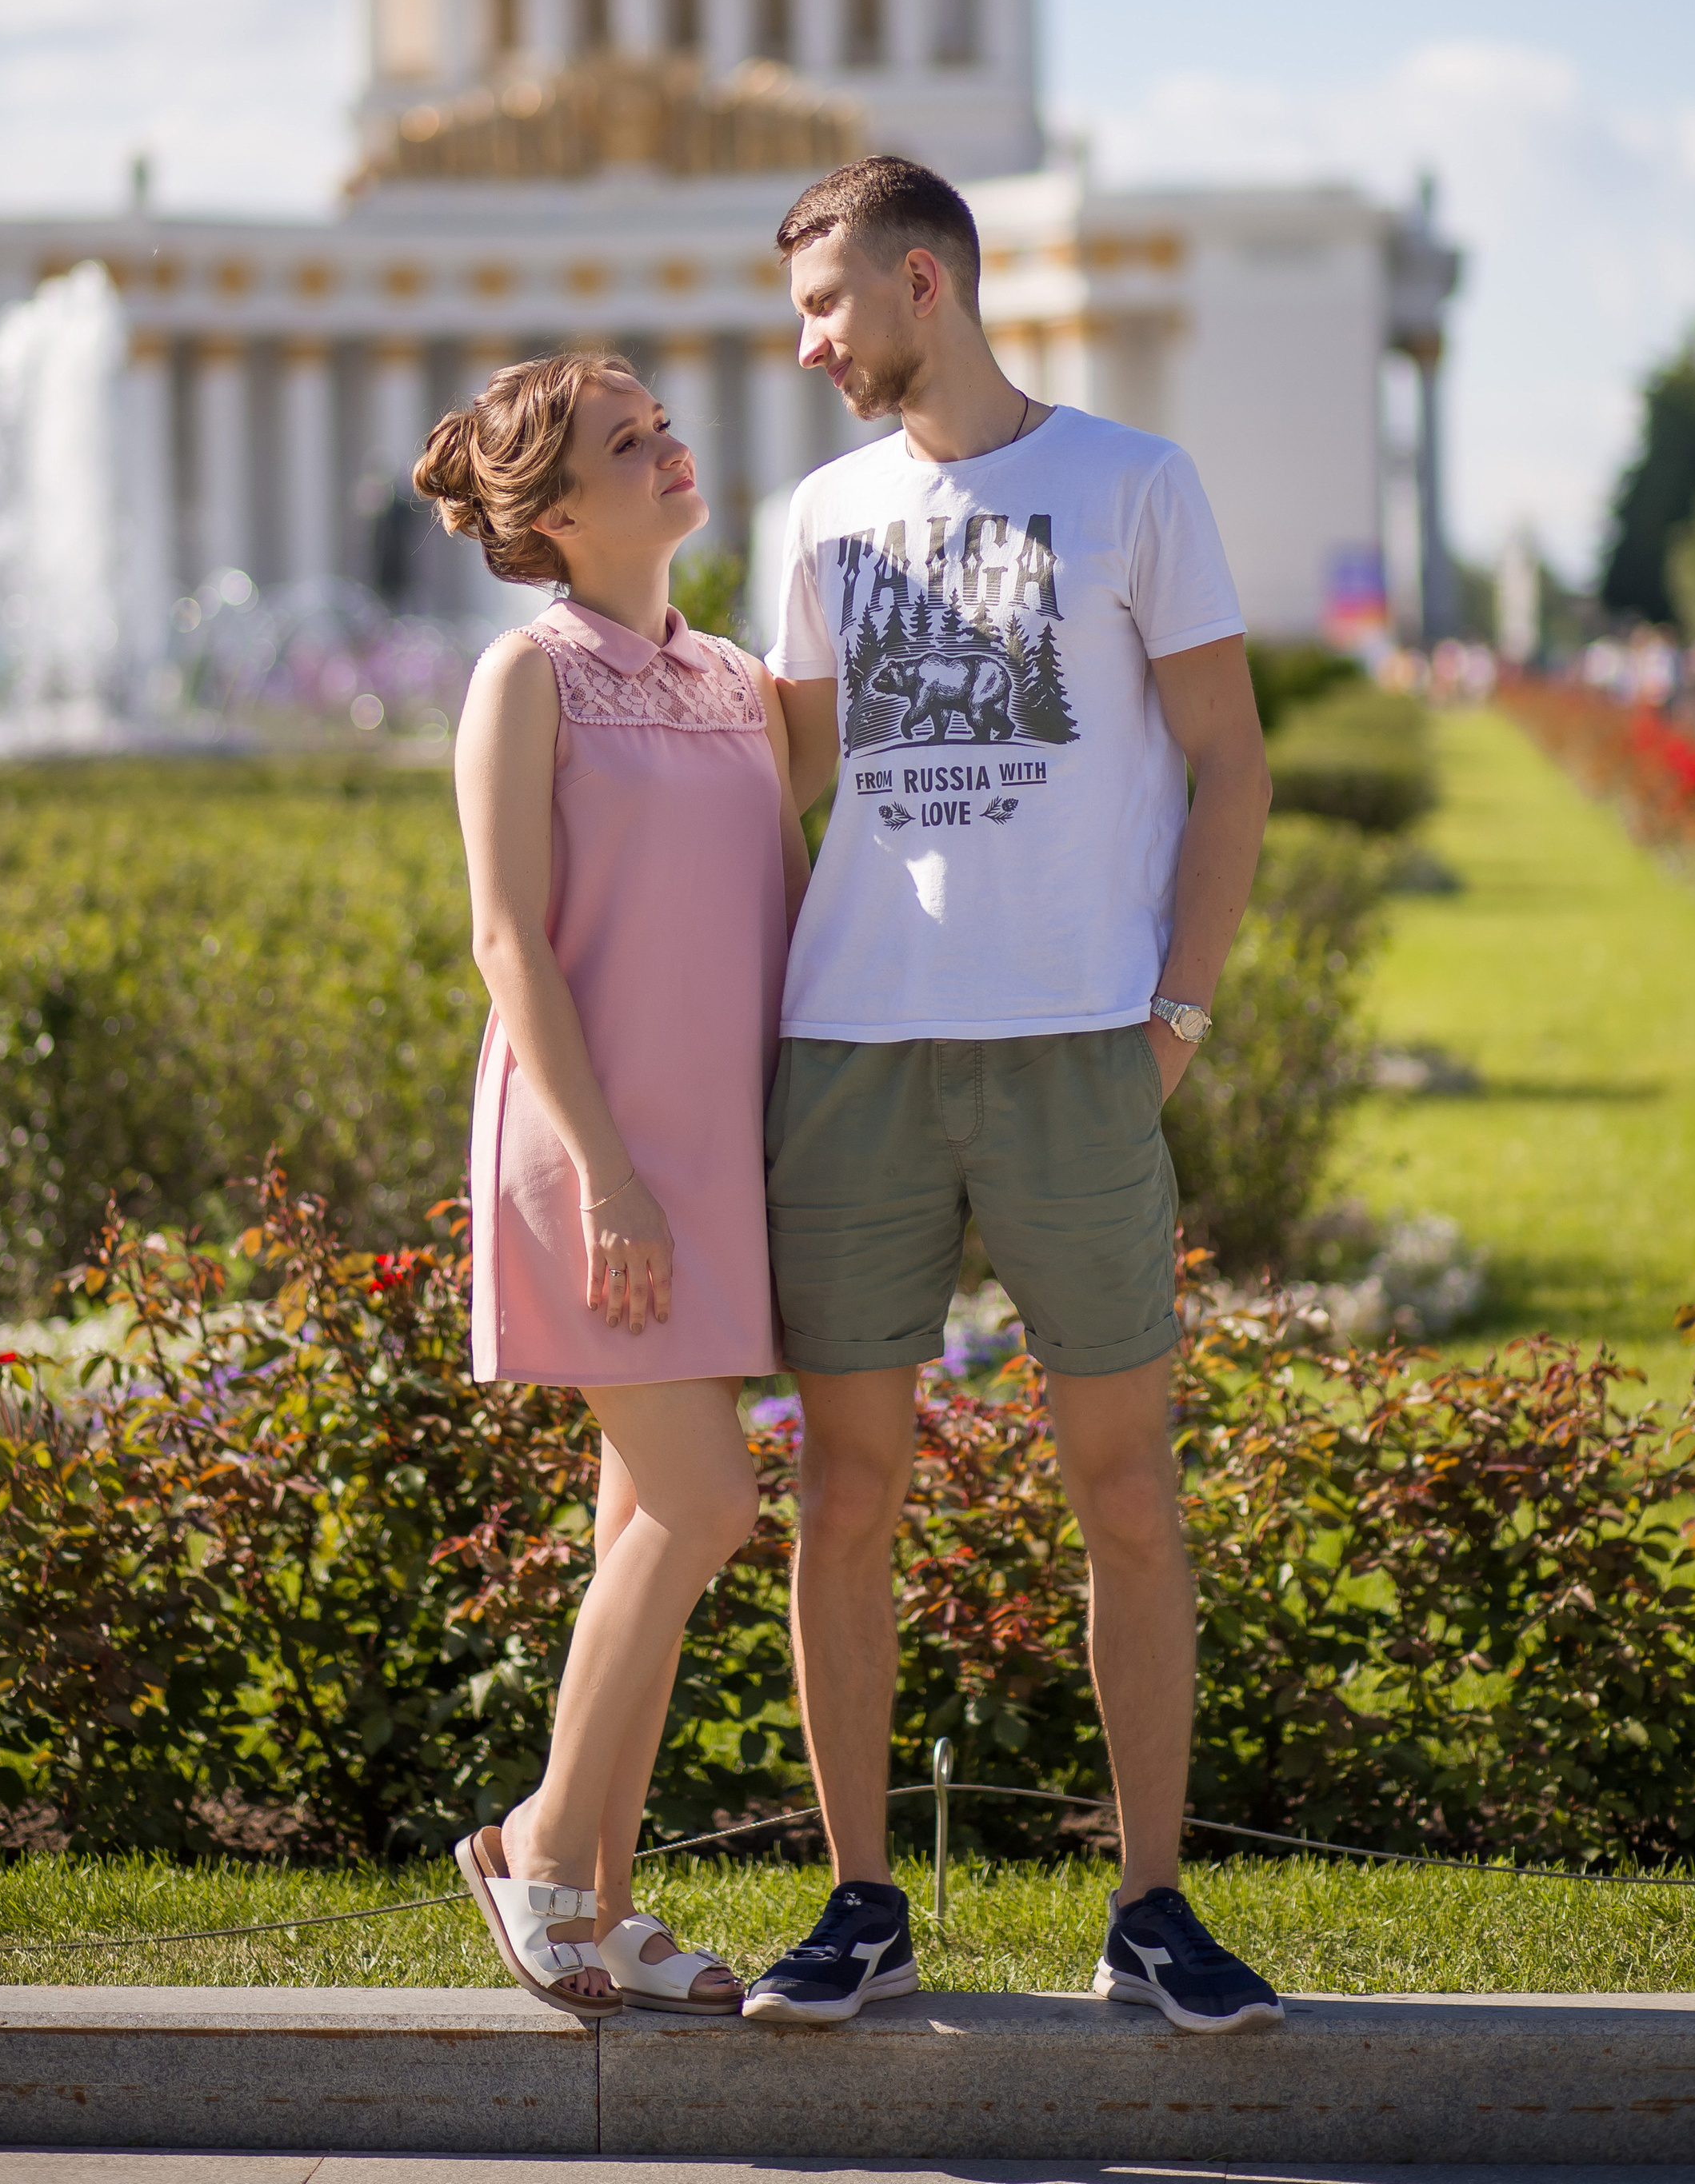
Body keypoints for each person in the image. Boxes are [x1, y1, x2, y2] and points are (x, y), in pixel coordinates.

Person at [740, 157, 1283, 2035]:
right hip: (856, 1054)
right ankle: (858, 1902)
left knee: (1122, 1491)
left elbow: (1228, 764)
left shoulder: (1133, 483)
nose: (805, 347)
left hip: (1075, 1051)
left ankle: (1150, 1906)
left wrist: (1177, 1019)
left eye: (822, 308)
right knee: (846, 1490)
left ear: (920, 282)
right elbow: (777, 792)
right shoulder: (813, 513)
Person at [420, 350, 810, 2015]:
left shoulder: (735, 680)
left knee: (641, 1533)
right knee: (709, 1508)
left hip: (714, 1166)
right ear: (558, 511)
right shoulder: (526, 676)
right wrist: (610, 1179)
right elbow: (508, 936)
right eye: (624, 441)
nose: (667, 449)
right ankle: (537, 1847)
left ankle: (609, 1907)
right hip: (588, 1163)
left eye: (662, 425)